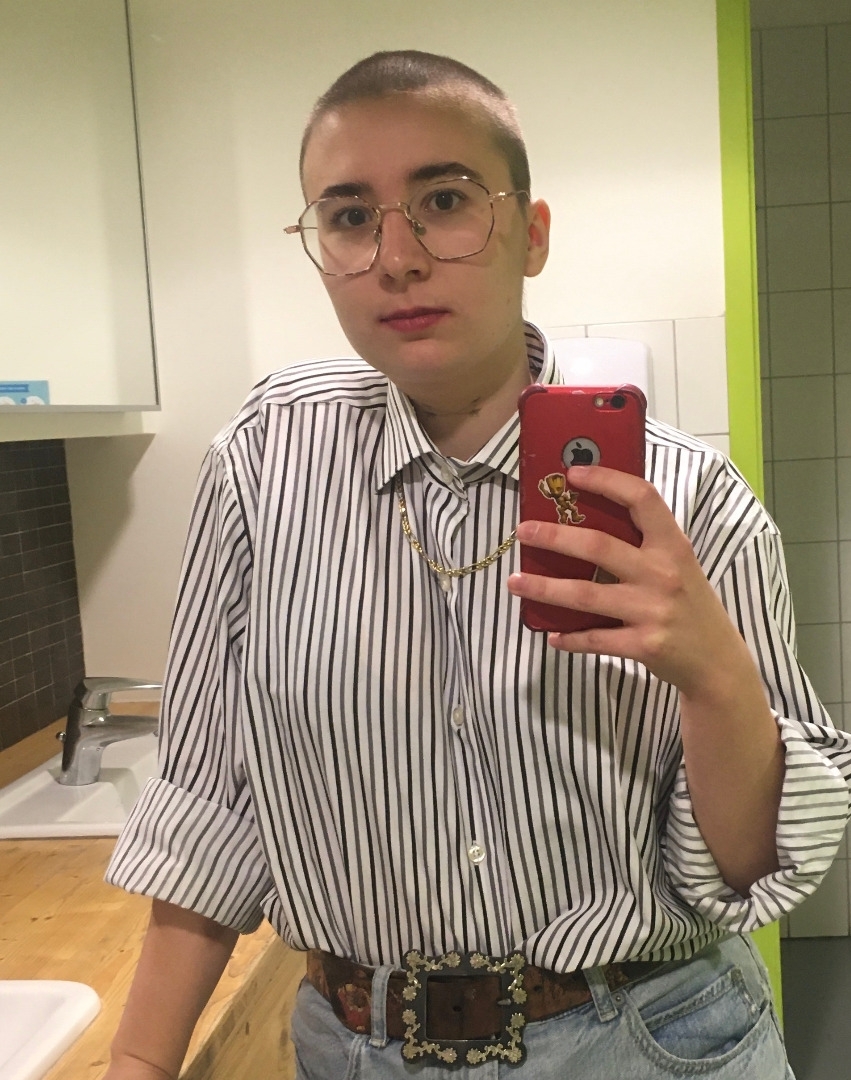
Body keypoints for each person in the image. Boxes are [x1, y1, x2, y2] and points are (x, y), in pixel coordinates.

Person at [103, 50, 851, 1079]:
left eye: (444, 201)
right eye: (349, 216)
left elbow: (745, 868)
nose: (396, 258)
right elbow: (206, 804)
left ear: (530, 234)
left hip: (648, 1040)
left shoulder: (690, 500)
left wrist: (715, 675)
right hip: (355, 1049)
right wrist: (138, 1064)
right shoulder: (264, 460)